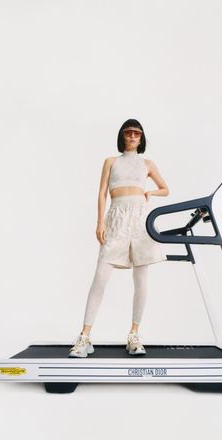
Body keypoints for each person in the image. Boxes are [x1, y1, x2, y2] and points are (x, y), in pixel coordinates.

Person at [69, 119, 168, 358]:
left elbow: (165, 188)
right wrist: (100, 221)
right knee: (101, 276)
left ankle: (134, 334)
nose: (133, 136)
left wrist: (150, 192)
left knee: (141, 277)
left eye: (137, 133)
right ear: (122, 136)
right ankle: (84, 336)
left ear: (141, 137)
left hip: (140, 219)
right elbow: (102, 193)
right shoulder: (110, 162)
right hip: (116, 217)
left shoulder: (147, 163)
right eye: (129, 132)